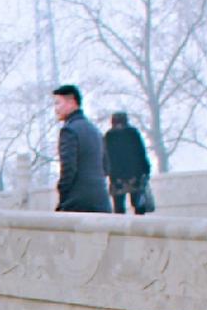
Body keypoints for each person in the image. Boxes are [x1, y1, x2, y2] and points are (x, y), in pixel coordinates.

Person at [50, 84, 108, 213]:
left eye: (58, 103)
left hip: (78, 203)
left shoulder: (69, 131)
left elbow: (68, 170)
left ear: (71, 102)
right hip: (101, 201)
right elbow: (106, 167)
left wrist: (63, 199)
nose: (55, 109)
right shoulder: (95, 130)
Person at [104, 112, 153, 216]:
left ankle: (119, 229)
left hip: (117, 178)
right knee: (138, 205)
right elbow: (141, 153)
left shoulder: (109, 135)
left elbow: (105, 157)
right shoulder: (133, 133)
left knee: (119, 209)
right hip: (134, 176)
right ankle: (139, 229)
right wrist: (146, 170)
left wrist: (107, 173)